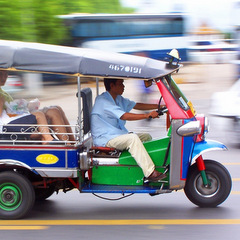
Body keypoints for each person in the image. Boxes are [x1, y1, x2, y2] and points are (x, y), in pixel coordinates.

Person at [91, 78, 166, 182]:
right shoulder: (103, 101)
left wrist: (161, 106)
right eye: (120, 83)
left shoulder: (118, 99)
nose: (123, 86)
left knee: (146, 136)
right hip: (105, 139)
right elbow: (124, 116)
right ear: (112, 85)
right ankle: (150, 172)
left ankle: (143, 165)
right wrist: (147, 115)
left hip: (116, 135)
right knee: (132, 139)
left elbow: (137, 105)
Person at [0, 70, 73, 144]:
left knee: (55, 109)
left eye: (6, 74)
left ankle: (72, 142)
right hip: (9, 125)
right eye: (1, 74)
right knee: (39, 114)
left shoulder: (4, 93)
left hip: (16, 117)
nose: (4, 77)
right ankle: (65, 145)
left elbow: (11, 110)